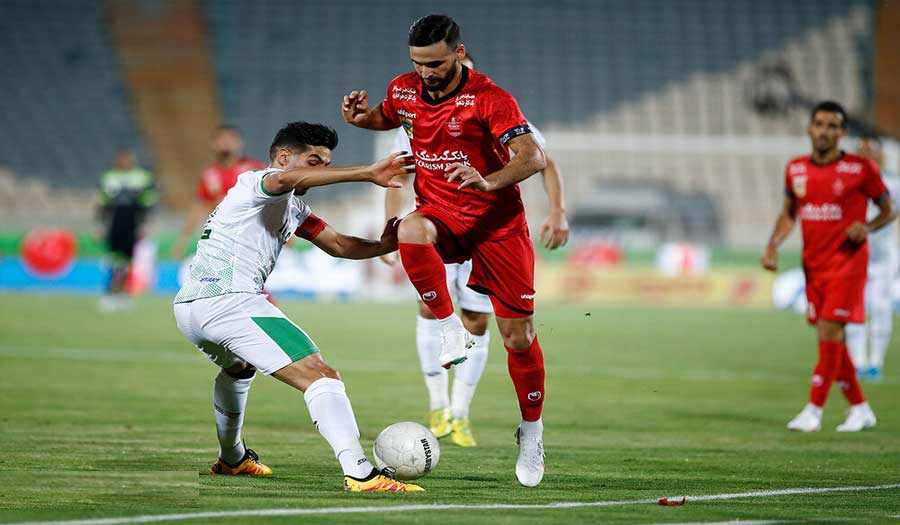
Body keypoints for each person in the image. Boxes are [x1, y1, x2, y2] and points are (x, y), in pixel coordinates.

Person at [343, 14, 548, 486]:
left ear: (458, 52)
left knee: (517, 338)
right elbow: (387, 117)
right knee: (409, 229)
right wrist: (361, 119)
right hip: (443, 214)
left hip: (498, 226)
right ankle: (448, 328)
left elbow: (533, 157)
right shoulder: (403, 89)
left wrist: (488, 180)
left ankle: (532, 433)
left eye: (435, 63)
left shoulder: (491, 98)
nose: (426, 73)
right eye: (418, 64)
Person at [173, 121, 424, 492]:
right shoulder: (259, 181)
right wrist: (367, 173)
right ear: (285, 157)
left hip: (191, 307)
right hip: (229, 302)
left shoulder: (294, 208)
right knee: (321, 375)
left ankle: (232, 459)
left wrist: (385, 245)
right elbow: (281, 182)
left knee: (240, 369)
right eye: (314, 161)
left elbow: (338, 245)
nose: (320, 170)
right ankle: (360, 473)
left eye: (326, 163)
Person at [381, 52, 568, 448]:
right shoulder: (412, 115)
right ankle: (438, 405)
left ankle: (461, 413)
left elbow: (541, 159)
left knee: (484, 324)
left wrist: (557, 210)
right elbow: (397, 171)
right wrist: (391, 226)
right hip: (440, 224)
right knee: (430, 308)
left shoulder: (496, 107)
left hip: (490, 230)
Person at [761, 101, 896, 432]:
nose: (824, 131)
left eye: (832, 126)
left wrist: (868, 226)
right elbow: (789, 212)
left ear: (842, 132)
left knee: (829, 331)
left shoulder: (860, 170)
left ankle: (813, 410)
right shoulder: (795, 169)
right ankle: (861, 409)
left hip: (848, 262)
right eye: (819, 124)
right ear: (810, 128)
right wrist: (773, 244)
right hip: (814, 265)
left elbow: (889, 209)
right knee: (831, 339)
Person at [846, 135, 900, 382]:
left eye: (870, 150)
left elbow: (893, 213)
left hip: (883, 256)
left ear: (880, 155)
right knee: (853, 308)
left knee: (880, 306)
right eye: (860, 150)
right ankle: (858, 362)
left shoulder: (892, 184)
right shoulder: (847, 183)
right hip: (853, 255)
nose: (865, 154)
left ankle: (875, 362)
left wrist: (867, 228)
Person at [171, 126, 266, 259]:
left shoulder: (255, 168)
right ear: (214, 145)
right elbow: (199, 207)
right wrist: (182, 242)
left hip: (255, 235)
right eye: (221, 139)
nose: (225, 143)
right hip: (224, 238)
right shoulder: (209, 174)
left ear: (239, 143)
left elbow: (274, 199)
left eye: (230, 139)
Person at [97, 149, 157, 312]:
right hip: (115, 224)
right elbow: (103, 204)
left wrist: (145, 224)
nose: (125, 162)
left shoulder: (142, 177)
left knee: (128, 261)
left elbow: (148, 203)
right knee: (114, 260)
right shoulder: (109, 177)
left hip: (133, 224)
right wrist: (100, 225)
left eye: (127, 159)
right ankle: (109, 294)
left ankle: (124, 294)